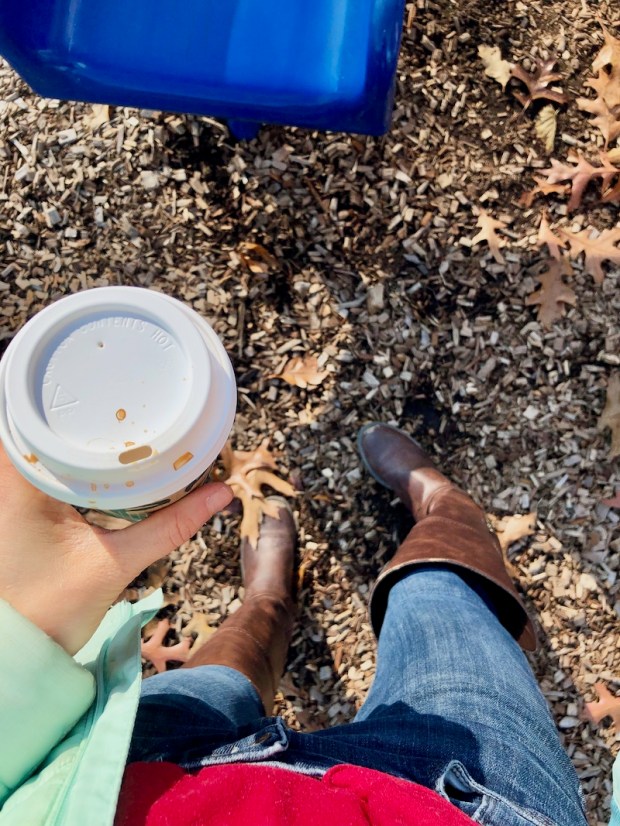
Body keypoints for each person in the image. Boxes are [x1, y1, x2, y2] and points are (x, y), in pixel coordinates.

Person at [0, 424, 589, 826]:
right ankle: (449, 509)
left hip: (120, 775)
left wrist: (21, 639)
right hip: (459, 801)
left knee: (226, 670)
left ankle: (268, 600)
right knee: (435, 595)